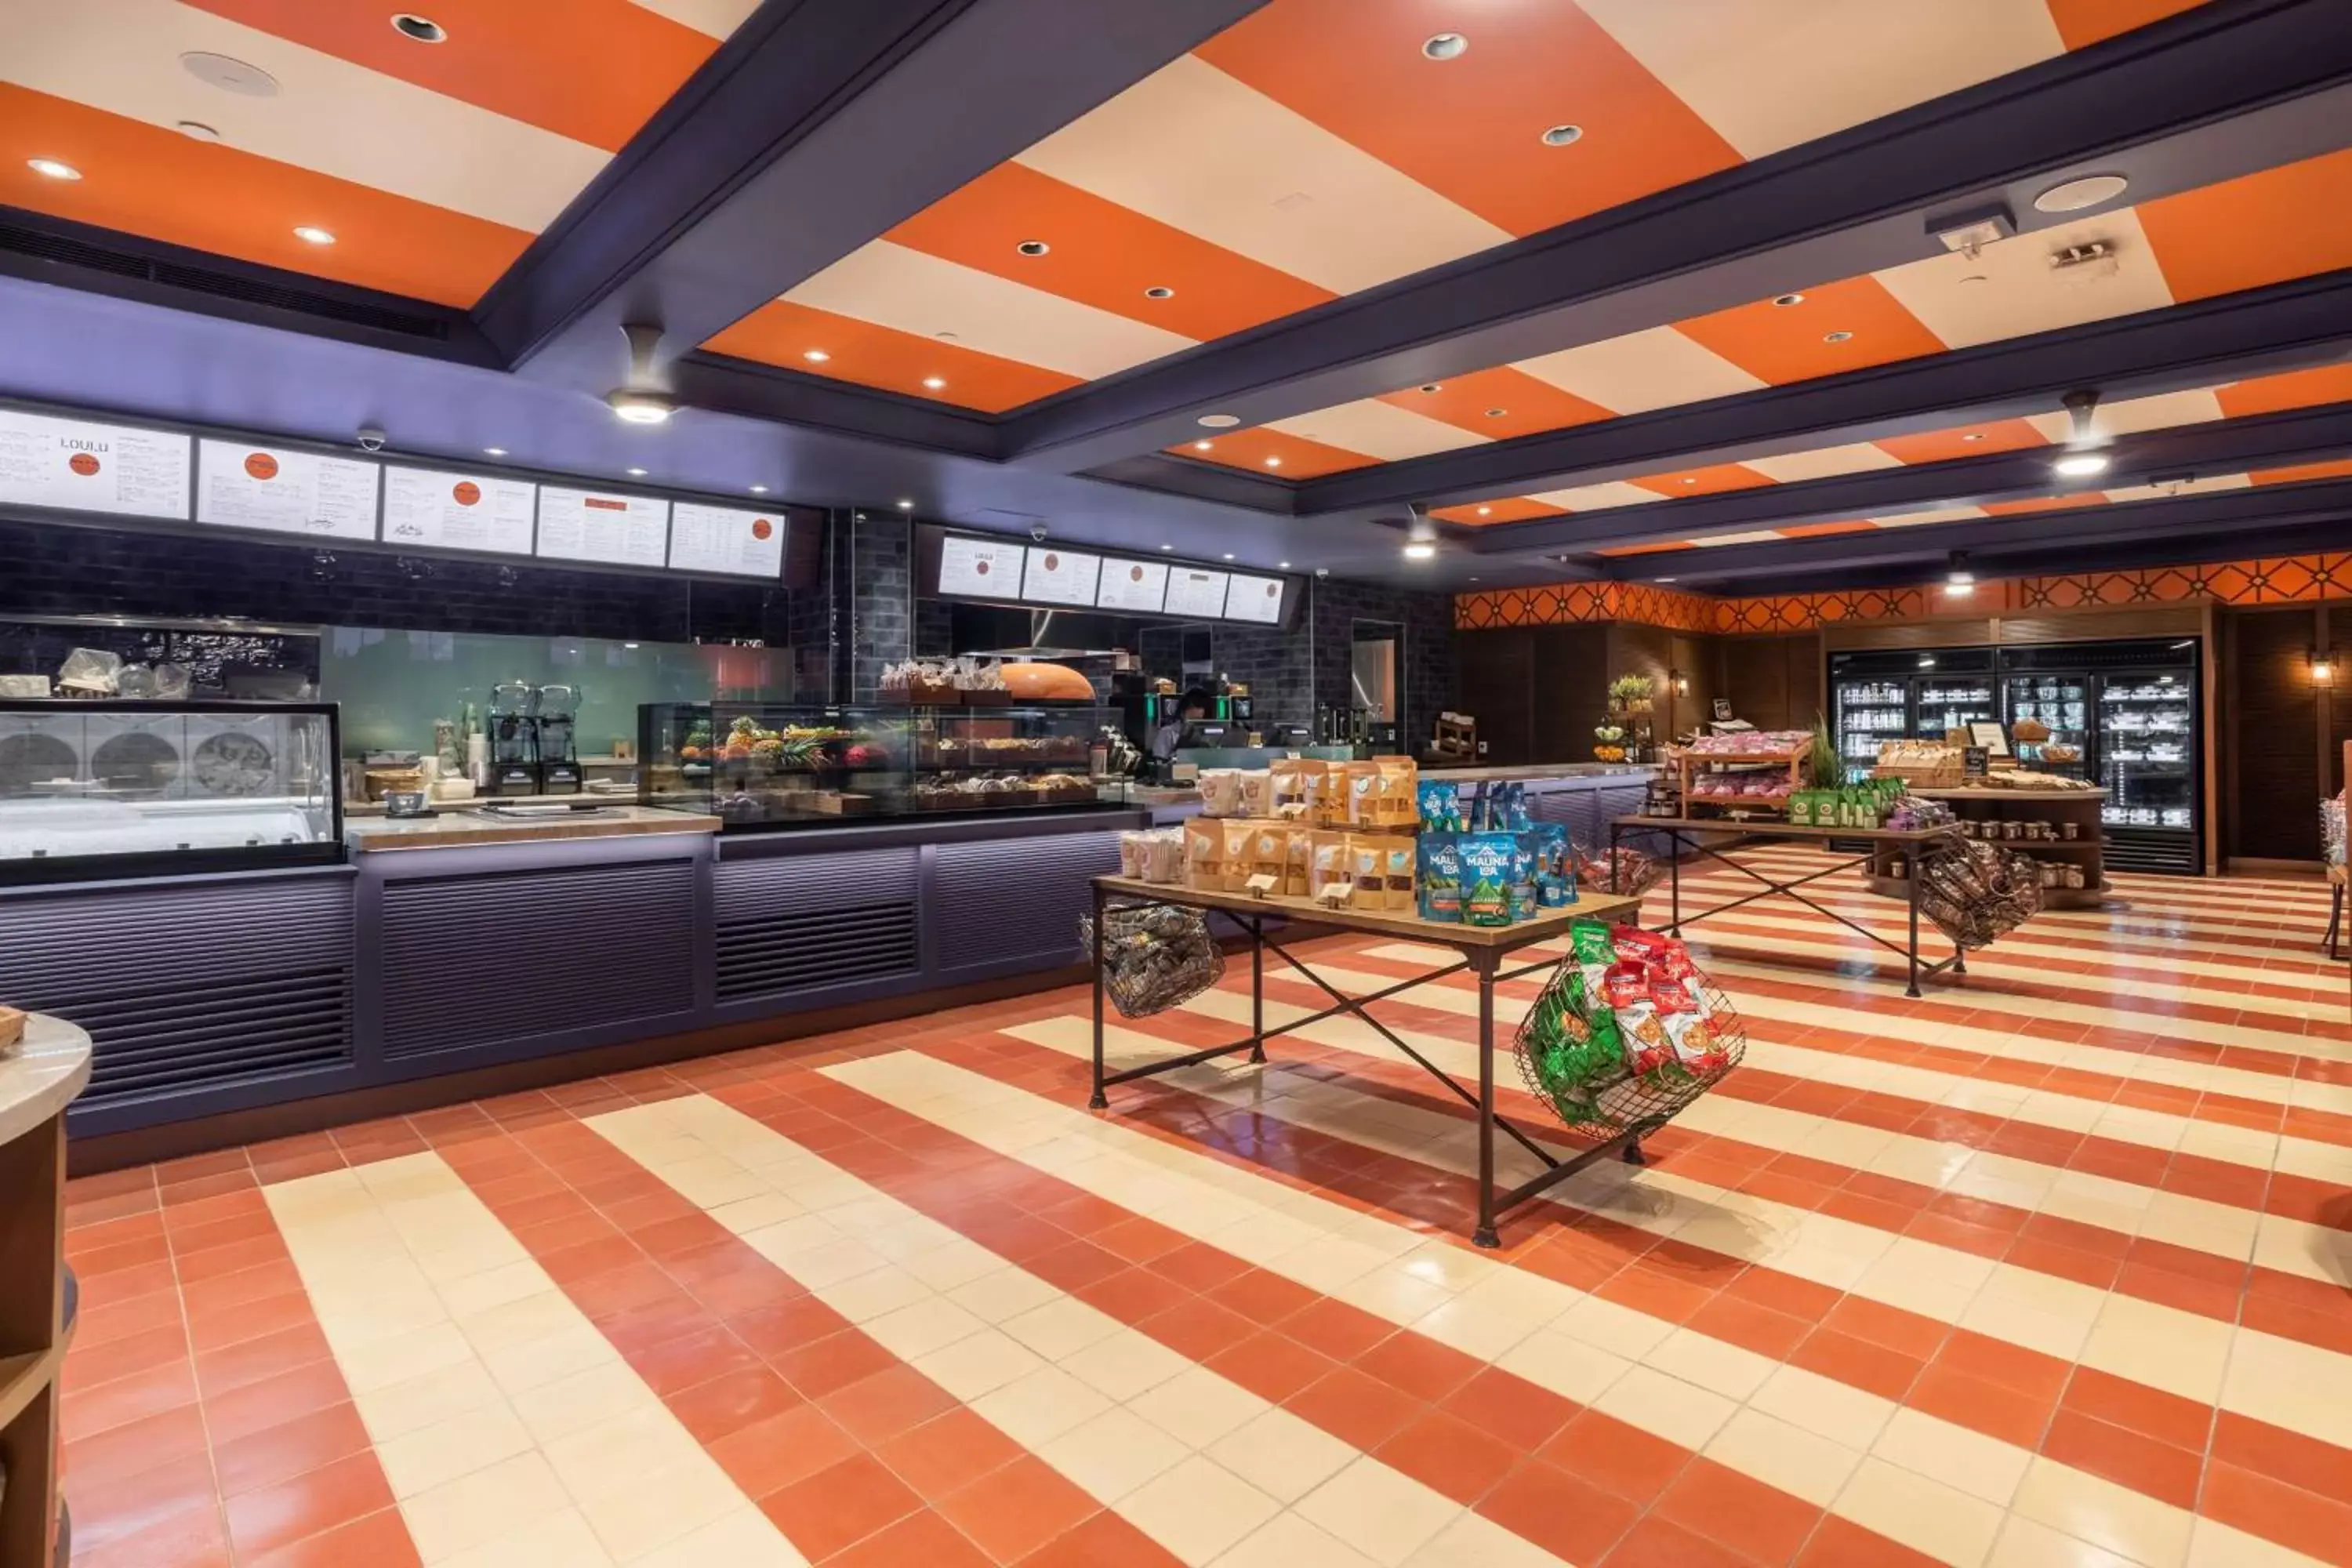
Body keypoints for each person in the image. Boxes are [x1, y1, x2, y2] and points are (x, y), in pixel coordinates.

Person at [1151, 688, 1210, 762]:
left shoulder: (1205, 734)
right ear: (1182, 714)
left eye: (1199, 720)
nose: (1194, 724)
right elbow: (1159, 761)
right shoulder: (1167, 732)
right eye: (1192, 719)